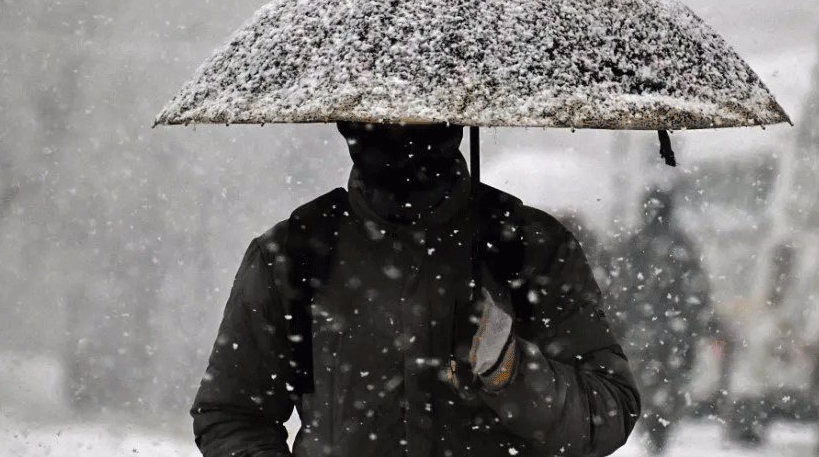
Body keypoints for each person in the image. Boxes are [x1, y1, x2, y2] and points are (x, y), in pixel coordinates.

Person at [191, 121, 640, 457]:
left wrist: (512, 370)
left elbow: (609, 411)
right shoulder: (297, 251)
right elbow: (233, 414)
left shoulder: (526, 246)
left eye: (421, 120)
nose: (401, 134)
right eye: (378, 115)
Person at [608, 187, 719, 455]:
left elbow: (617, 293)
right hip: (675, 337)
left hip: (642, 335)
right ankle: (660, 433)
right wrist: (697, 325)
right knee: (669, 389)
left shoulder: (632, 246)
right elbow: (698, 292)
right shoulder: (683, 247)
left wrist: (618, 327)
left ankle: (653, 430)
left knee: (646, 388)